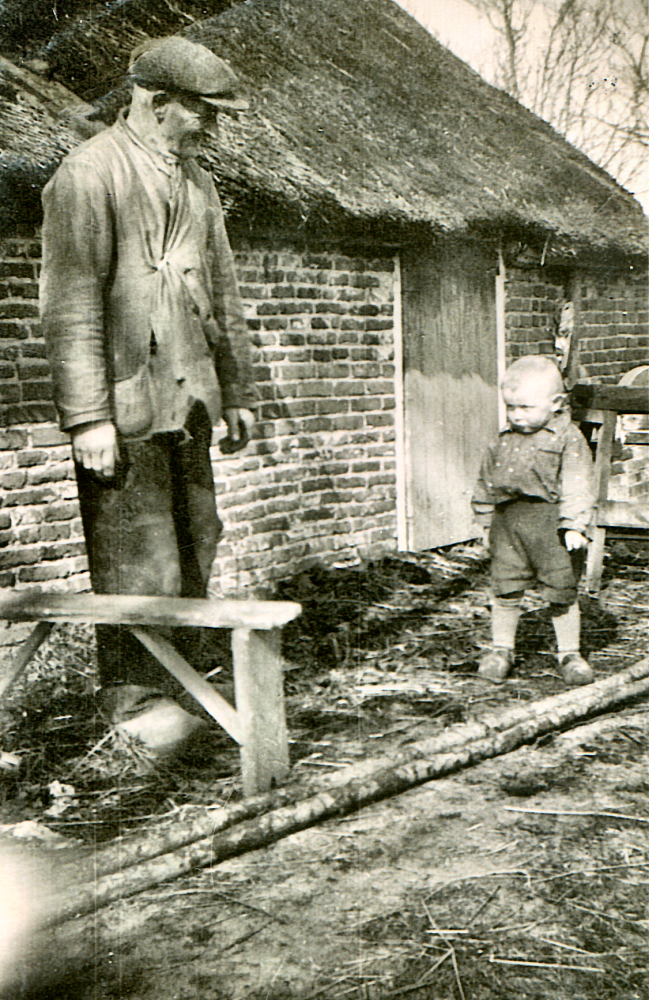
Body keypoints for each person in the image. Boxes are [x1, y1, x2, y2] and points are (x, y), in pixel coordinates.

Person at [40, 36, 256, 756]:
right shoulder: (89, 173)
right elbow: (70, 305)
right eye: (202, 111)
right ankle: (138, 718)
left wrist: (237, 392)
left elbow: (222, 290)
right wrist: (87, 417)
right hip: (126, 408)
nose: (212, 127)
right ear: (156, 101)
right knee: (139, 563)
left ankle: (188, 695)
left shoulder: (198, 182)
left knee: (198, 542)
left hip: (189, 402)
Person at [472, 355, 596, 685]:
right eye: (510, 407)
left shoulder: (568, 439)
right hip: (508, 523)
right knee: (506, 587)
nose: (516, 415)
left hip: (551, 527)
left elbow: (578, 483)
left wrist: (574, 524)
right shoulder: (502, 439)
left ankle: (569, 653)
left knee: (560, 589)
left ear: (556, 404)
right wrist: (485, 521)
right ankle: (501, 650)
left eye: (525, 407)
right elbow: (485, 481)